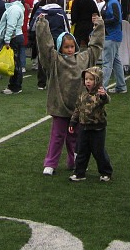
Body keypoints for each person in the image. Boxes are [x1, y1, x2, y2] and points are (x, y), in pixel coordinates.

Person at [37, 11, 104, 175]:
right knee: (57, 136)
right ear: (60, 47)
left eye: (72, 46)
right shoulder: (54, 60)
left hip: (78, 109)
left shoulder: (83, 59)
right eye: (66, 47)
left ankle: (75, 162)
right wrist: (42, 25)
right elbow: (45, 47)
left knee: (75, 138)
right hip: (59, 107)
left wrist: (99, 26)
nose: (69, 49)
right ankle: (50, 163)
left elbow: (95, 47)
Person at [68, 67, 113, 183]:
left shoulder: (100, 94)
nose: (87, 81)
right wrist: (73, 122)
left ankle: (105, 172)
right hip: (83, 128)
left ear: (97, 80)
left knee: (99, 152)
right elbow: (77, 109)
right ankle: (79, 172)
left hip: (98, 129)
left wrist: (103, 95)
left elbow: (106, 100)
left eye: (91, 79)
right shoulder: (82, 94)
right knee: (82, 151)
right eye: (86, 79)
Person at [99, 0, 127, 94]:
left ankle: (102, 88)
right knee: (116, 61)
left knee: (107, 62)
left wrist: (102, 22)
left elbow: (117, 19)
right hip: (111, 35)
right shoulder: (109, 3)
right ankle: (121, 86)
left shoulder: (113, 3)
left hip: (112, 36)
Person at [0, 0, 26, 95]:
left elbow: (11, 26)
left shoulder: (14, 9)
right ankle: (13, 85)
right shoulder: (16, 7)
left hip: (14, 38)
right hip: (15, 37)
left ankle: (15, 87)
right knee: (14, 62)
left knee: (15, 63)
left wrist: (7, 39)